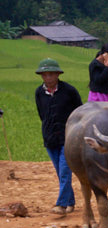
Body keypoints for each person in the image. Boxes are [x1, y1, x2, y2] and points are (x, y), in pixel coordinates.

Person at [33, 57, 81, 215]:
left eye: (51, 74)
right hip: (50, 138)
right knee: (60, 172)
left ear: (57, 75)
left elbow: (79, 112)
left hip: (67, 138)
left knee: (65, 171)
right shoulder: (39, 93)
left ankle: (61, 205)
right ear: (41, 76)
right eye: (45, 75)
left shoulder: (69, 91)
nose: (48, 78)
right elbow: (42, 114)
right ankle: (70, 202)